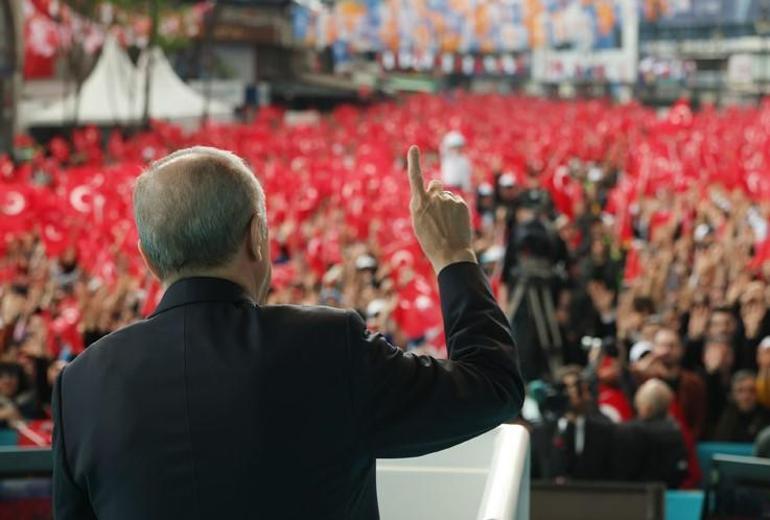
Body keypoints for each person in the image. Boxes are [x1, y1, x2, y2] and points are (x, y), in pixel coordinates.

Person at [51, 146, 524, 519]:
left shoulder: (81, 386)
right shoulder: (325, 347)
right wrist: (453, 254)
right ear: (258, 236)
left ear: (149, 257)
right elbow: (492, 386)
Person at [532, 365, 614, 481]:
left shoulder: (604, 430)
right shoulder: (542, 433)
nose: (571, 392)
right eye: (565, 388)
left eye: (577, 387)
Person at [612, 379, 688, 488]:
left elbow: (622, 472)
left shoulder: (629, 431)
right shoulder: (675, 430)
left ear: (644, 405)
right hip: (668, 493)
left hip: (635, 495)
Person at [713, 371, 770, 443]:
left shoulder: (766, 416)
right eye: (740, 391)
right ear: (733, 394)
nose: (746, 396)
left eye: (751, 391)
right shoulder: (725, 417)